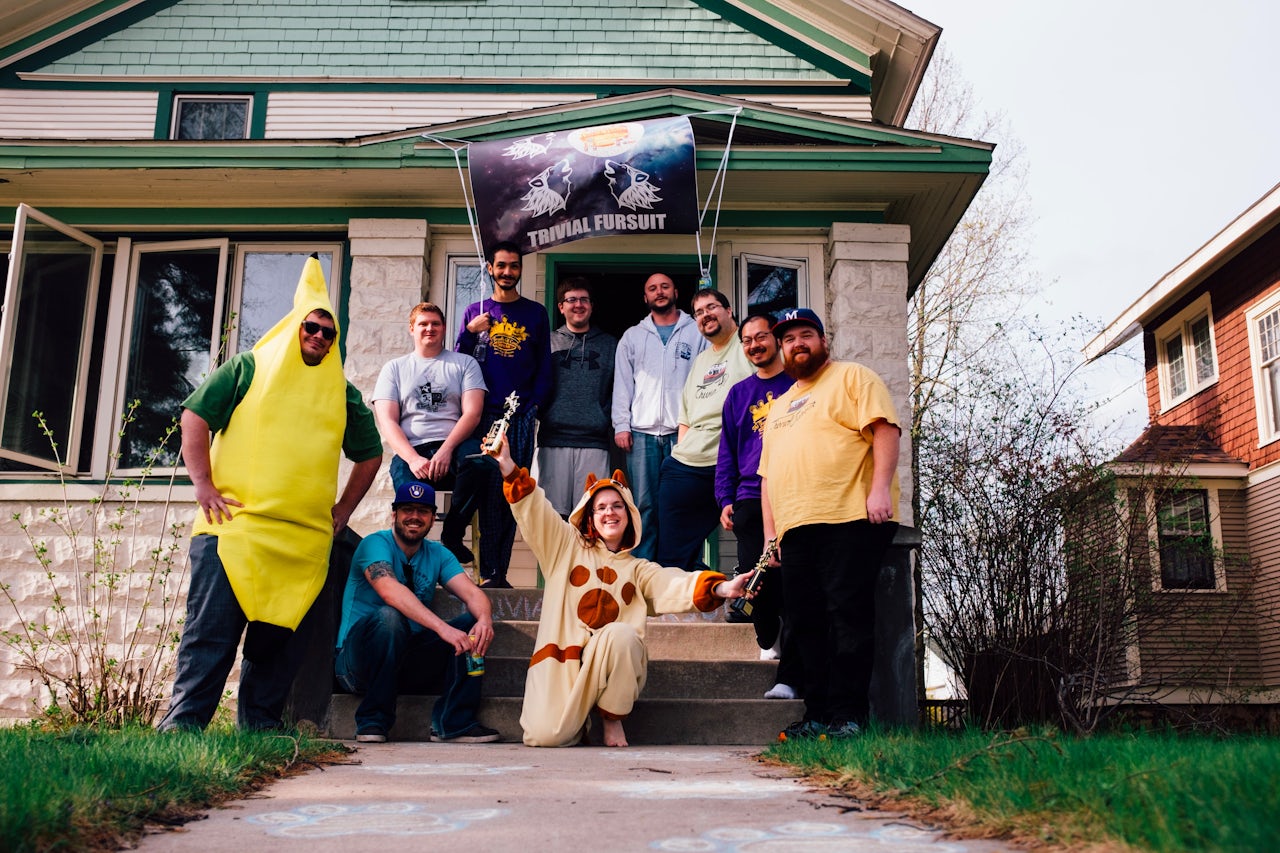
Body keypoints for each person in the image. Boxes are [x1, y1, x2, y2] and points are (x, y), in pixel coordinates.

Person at [158, 256, 382, 732]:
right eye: (312, 327)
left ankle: (260, 731)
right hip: (234, 532)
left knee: (277, 646)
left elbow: (370, 454)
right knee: (209, 637)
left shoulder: (342, 394)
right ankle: (182, 728)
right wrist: (203, 485)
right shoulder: (247, 367)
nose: (319, 337)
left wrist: (342, 510)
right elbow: (194, 416)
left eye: (328, 332)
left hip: (301, 546)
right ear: (295, 325)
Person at [487, 434, 754, 748]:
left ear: (629, 516)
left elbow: (673, 583)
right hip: (563, 663)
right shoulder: (564, 547)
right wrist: (507, 464)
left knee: (623, 636)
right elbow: (536, 511)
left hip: (612, 657)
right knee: (546, 736)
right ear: (589, 516)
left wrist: (720, 587)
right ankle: (578, 716)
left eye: (617, 506)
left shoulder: (638, 569)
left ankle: (612, 718)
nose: (609, 512)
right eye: (600, 507)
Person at [759, 308, 901, 741]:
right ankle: (817, 715)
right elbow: (768, 476)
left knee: (848, 617)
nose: (797, 343)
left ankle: (849, 716)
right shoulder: (779, 406)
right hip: (796, 528)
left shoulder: (854, 377)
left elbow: (885, 431)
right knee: (805, 623)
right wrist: (770, 537)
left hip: (850, 518)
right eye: (789, 339)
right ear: (782, 350)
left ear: (823, 340)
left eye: (806, 335)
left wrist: (879, 489)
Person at [334, 481, 501, 744]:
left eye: (423, 511)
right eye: (407, 510)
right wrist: (442, 628)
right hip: (357, 666)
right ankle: (372, 721)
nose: (414, 517)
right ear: (394, 515)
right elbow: (390, 591)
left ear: (433, 518)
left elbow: (473, 594)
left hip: (405, 663)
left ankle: (454, 721)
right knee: (389, 617)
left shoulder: (438, 554)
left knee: (473, 624)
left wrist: (484, 619)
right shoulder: (374, 545)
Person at [454, 241, 553, 587]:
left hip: (520, 415)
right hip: (483, 415)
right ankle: (485, 571)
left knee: (512, 492)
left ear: (520, 270)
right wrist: (469, 333)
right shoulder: (474, 312)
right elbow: (458, 362)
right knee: (485, 493)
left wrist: (535, 403)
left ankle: (500, 574)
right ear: (490, 269)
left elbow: (544, 365)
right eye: (501, 266)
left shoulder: (535, 313)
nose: (507, 272)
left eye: (513, 266)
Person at [715, 312, 802, 699]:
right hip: (750, 497)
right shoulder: (738, 394)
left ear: (776, 340)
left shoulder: (799, 384)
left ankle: (792, 663)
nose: (754, 345)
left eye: (761, 337)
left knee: (794, 581)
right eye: (747, 340)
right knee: (758, 581)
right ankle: (769, 634)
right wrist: (725, 497)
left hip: (796, 495)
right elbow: (727, 452)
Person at [372, 301, 486, 565]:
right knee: (408, 492)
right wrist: (412, 459)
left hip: (454, 446)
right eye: (423, 324)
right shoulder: (395, 368)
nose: (429, 329)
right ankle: (411, 556)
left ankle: (453, 536)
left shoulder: (464, 363)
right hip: (413, 449)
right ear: (412, 329)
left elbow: (473, 413)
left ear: (444, 328)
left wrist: (446, 450)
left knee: (480, 464)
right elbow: (387, 421)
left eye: (435, 324)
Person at [653, 288, 751, 571]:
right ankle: (686, 597)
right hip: (687, 463)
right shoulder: (701, 361)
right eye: (698, 312)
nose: (705, 315)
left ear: (729, 310)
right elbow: (685, 417)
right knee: (672, 554)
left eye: (711, 307)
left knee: (748, 531)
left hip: (731, 463)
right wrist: (679, 457)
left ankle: (749, 597)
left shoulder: (747, 347)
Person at [611, 273, 705, 559]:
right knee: (644, 504)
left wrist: (699, 425)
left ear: (676, 291)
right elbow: (623, 384)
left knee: (684, 502)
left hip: (684, 431)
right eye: (652, 288)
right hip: (641, 433)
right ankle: (646, 568)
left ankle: (687, 568)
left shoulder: (696, 331)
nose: (659, 292)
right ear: (645, 297)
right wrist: (621, 425)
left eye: (664, 286)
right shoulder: (633, 336)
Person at [537, 277, 617, 517]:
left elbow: (619, 389)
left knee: (592, 514)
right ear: (561, 307)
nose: (578, 305)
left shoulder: (610, 344)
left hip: (594, 441)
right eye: (571, 300)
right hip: (553, 440)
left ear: (592, 306)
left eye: (584, 300)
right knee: (553, 518)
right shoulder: (547, 343)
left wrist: (603, 416)